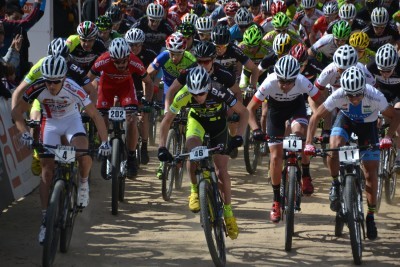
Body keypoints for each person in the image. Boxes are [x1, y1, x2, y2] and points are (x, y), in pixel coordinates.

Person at [11, 55, 111, 244]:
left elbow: (95, 116)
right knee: (46, 172)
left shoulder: (73, 88)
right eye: (48, 81)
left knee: (83, 152)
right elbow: (17, 111)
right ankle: (44, 220)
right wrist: (24, 132)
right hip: (50, 124)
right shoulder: (38, 86)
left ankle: (82, 184)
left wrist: (105, 142)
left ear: (64, 78)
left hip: (72, 122)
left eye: (56, 82)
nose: (51, 86)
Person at [304, 66, 400, 240]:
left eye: (358, 94)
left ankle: (370, 216)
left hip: (368, 127)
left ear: (364, 89)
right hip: (346, 121)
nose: (354, 99)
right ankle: (335, 183)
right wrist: (309, 143)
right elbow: (315, 117)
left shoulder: (374, 95)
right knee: (334, 146)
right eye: (350, 95)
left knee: (371, 174)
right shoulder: (339, 94)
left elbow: (395, 117)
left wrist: (388, 137)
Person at [158, 66, 249, 240]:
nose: (198, 97)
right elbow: (167, 120)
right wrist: (162, 147)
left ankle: (229, 213)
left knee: (221, 171)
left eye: (201, 93)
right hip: (197, 122)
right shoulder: (184, 93)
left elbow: (244, 112)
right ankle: (194, 190)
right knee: (192, 153)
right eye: (194, 94)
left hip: (218, 124)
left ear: (207, 87)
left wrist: (238, 137)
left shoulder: (218, 90)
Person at [247, 55, 324, 222]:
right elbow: (250, 109)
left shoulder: (303, 81)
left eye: (289, 82)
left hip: (296, 109)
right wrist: (256, 130)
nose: (285, 85)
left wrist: (320, 121)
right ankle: (275, 200)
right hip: (275, 114)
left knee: (300, 136)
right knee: (275, 156)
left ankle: (305, 174)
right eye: (282, 81)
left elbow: (323, 101)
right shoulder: (269, 82)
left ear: (296, 77)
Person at [88, 38, 153, 178]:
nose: (121, 65)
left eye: (124, 61)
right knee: (101, 117)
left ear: (128, 57)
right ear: (111, 58)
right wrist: (85, 100)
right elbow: (87, 80)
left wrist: (147, 101)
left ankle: (130, 157)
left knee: (131, 120)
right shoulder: (102, 60)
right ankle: (105, 150)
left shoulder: (135, 61)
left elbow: (148, 82)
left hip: (126, 88)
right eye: (116, 62)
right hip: (106, 89)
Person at [125, 28, 158, 165]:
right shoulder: (123, 54)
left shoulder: (149, 54)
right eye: (131, 44)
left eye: (137, 44)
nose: (134, 48)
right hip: (127, 89)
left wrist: (148, 97)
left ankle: (144, 146)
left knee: (144, 114)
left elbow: (156, 74)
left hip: (144, 87)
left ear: (142, 44)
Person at [367, 44, 400, 170]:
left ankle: (399, 157)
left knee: (398, 119)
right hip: (381, 94)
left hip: (398, 94)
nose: (385, 74)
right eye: (381, 71)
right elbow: (366, 88)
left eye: (388, 71)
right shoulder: (371, 66)